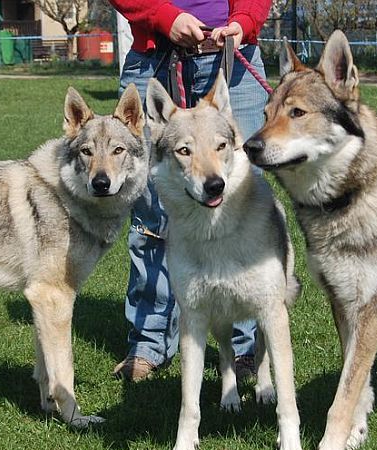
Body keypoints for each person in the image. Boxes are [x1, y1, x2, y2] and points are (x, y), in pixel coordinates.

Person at [108, 0, 272, 381]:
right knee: (150, 213)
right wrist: (166, 17)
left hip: (232, 60)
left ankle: (244, 348)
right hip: (156, 62)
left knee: (242, 210)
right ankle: (149, 342)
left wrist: (243, 22)